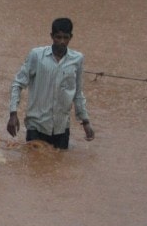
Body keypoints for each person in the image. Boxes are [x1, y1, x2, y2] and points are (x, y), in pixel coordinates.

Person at [7, 17, 95, 149]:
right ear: (51, 36)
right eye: (58, 37)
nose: (62, 42)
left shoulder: (77, 59)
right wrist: (13, 114)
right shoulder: (36, 55)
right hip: (36, 125)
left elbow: (77, 93)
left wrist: (85, 122)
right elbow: (18, 83)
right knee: (35, 166)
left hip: (61, 127)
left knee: (59, 166)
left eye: (65, 38)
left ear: (71, 37)